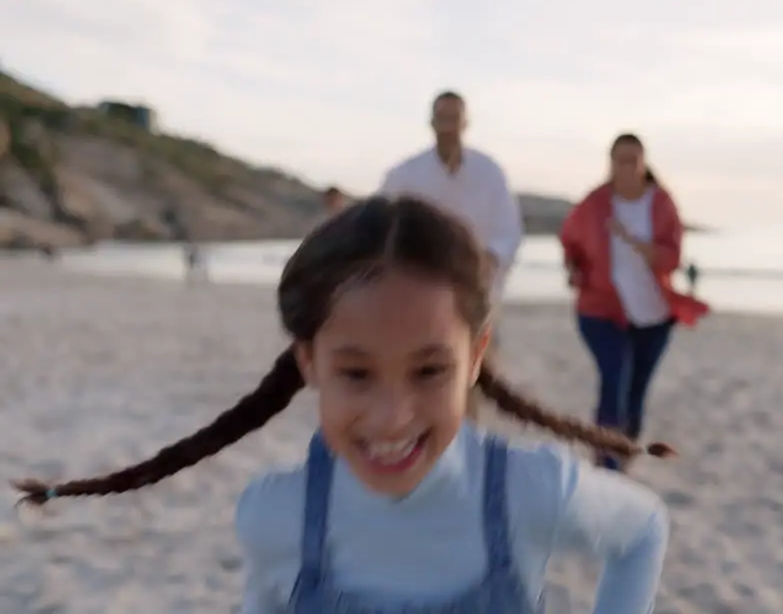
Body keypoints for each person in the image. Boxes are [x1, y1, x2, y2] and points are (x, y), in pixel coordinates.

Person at [15, 196, 673, 614]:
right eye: (356, 374)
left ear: (476, 357)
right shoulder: (276, 515)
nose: (393, 415)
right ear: (309, 362)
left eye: (430, 370)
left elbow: (641, 531)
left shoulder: (529, 490)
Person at [560, 132, 709, 471]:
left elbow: (671, 259)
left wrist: (635, 242)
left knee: (636, 393)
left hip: (653, 316)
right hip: (600, 310)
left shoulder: (661, 203)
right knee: (615, 375)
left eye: (632, 159)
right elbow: (570, 240)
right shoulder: (595, 203)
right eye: (618, 159)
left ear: (644, 164)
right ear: (609, 164)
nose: (625, 166)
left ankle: (622, 455)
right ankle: (605, 461)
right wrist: (572, 267)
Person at [379, 91, 524, 420]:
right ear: (431, 122)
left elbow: (509, 229)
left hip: (477, 294)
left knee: (470, 376)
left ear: (466, 122)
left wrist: (491, 257)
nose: (448, 125)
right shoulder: (405, 175)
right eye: (442, 118)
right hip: (418, 295)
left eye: (454, 118)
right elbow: (378, 226)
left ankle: (467, 450)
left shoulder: (489, 172)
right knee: (421, 374)